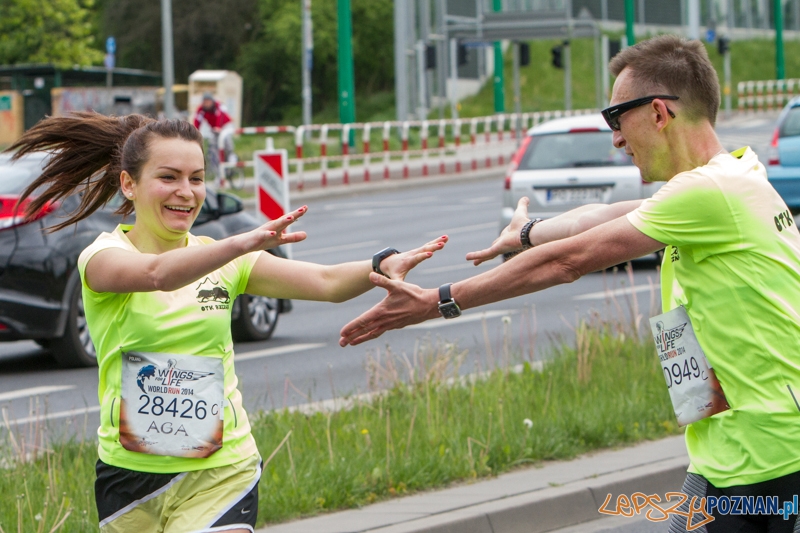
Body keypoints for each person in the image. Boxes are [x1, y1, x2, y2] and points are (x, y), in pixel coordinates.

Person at [339, 35, 800, 532]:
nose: (616, 139)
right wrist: (527, 232)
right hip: (730, 456)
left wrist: (436, 302)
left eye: (616, 118)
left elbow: (571, 260)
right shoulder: (734, 175)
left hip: (776, 460)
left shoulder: (710, 191)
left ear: (659, 113)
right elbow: (599, 217)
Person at [6, 111, 447, 533]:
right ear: (129, 184)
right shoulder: (102, 257)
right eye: (168, 177)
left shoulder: (224, 261)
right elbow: (157, 275)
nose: (187, 192)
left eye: (196, 179)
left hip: (222, 470)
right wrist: (238, 243)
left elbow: (326, 281)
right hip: (130, 477)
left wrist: (381, 262)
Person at [193, 93, 236, 178]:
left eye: (208, 101)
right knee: (213, 147)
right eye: (205, 102)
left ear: (212, 101)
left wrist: (218, 127)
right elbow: (197, 120)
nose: (206, 104)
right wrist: (195, 131)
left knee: (226, 139)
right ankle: (218, 172)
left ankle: (231, 155)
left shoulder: (218, 105)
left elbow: (221, 115)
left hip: (225, 125)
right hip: (214, 129)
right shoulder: (201, 109)